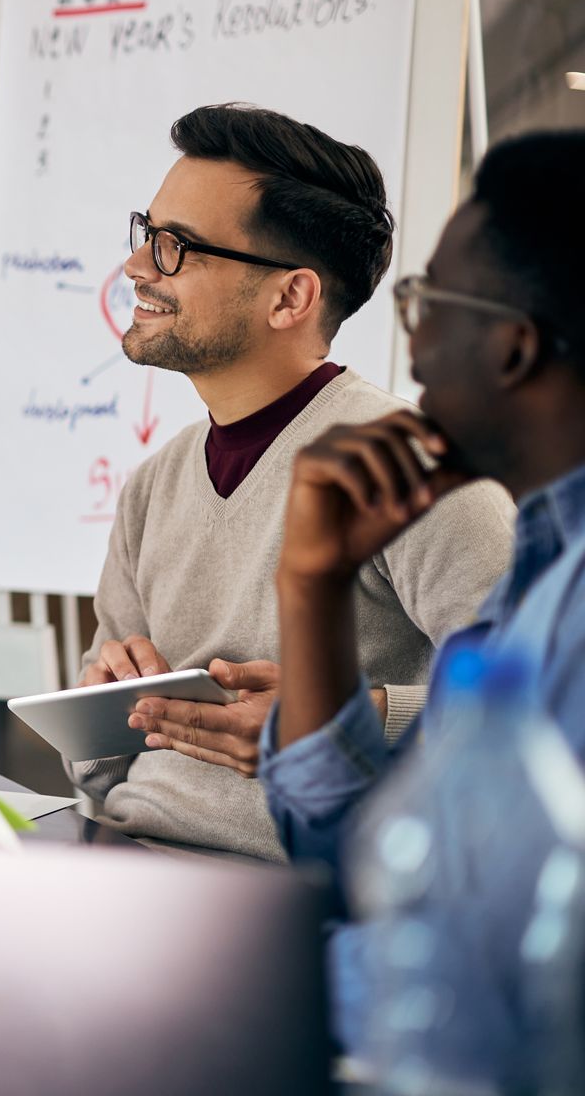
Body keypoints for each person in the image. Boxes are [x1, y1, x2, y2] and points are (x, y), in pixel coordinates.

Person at [69, 104, 514, 857]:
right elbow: (93, 771)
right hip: (129, 863)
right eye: (148, 233)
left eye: (177, 247)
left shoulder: (411, 468)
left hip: (302, 902)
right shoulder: (154, 487)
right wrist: (97, 704)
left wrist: (349, 720)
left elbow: (541, 704)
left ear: (290, 298)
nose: (139, 268)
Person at [260, 130, 585, 1080]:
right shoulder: (540, 566)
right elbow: (353, 850)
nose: (412, 340)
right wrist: (312, 587)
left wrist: (257, 982)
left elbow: (471, 963)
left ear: (513, 348)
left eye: (426, 302)